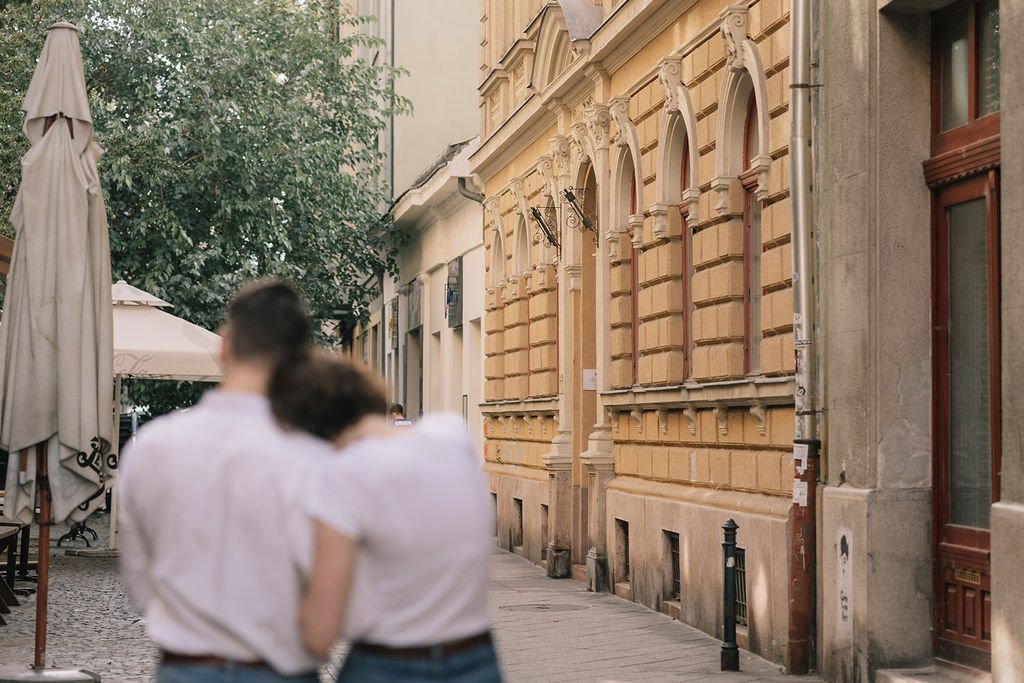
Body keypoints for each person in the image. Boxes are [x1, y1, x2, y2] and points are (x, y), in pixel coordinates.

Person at [118, 280, 333, 683]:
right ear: (298, 363)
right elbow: (330, 591)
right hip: (282, 667)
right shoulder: (317, 461)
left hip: (187, 666)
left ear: (224, 345)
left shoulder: (151, 447)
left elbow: (140, 579)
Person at [269, 352, 501, 683]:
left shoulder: (343, 477)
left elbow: (321, 633)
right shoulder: (453, 437)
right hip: (476, 658)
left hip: (388, 664)